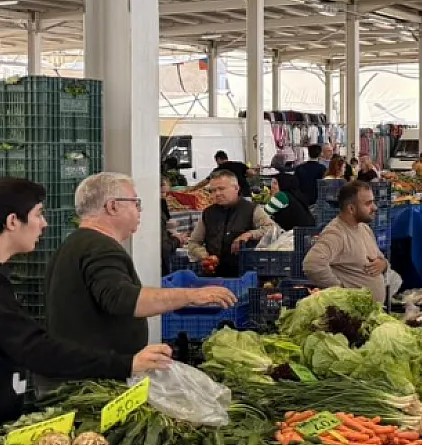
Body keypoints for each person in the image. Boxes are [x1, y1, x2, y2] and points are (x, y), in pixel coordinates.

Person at [37, 173, 235, 396]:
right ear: (112, 206)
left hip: (81, 374)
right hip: (90, 383)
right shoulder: (100, 248)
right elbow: (123, 299)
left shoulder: (77, 243)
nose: (139, 210)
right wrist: (192, 296)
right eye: (135, 202)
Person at [0, 178, 176, 421]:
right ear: (12, 221)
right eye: (38, 214)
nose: (44, 223)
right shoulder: (98, 247)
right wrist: (125, 364)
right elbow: (34, 347)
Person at [302, 180, 390, 302]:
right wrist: (340, 291)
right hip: (351, 312)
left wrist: (383, 264)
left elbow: (379, 257)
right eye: (368, 204)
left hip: (372, 310)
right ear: (351, 209)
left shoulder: (364, 228)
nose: (374, 207)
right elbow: (312, 264)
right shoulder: (336, 234)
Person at [187, 169, 277, 277]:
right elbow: (194, 242)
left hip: (246, 274)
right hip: (213, 276)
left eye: (221, 189)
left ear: (236, 188)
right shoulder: (207, 213)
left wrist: (250, 234)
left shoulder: (252, 209)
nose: (217, 194)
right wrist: (205, 257)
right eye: (213, 190)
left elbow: (273, 230)